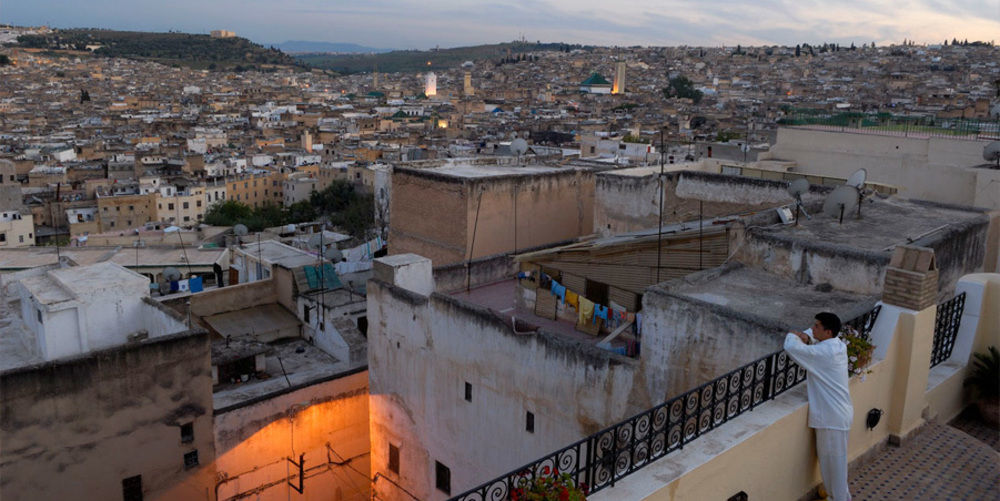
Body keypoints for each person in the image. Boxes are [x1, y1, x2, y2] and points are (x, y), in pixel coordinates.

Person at [784, 312, 853, 501]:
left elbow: (791, 347)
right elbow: (816, 343)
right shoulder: (837, 345)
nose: (812, 329)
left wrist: (794, 335)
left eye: (816, 327)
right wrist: (807, 336)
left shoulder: (825, 353)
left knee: (835, 467)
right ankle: (835, 497)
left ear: (828, 332)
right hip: (836, 415)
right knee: (830, 464)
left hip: (832, 418)